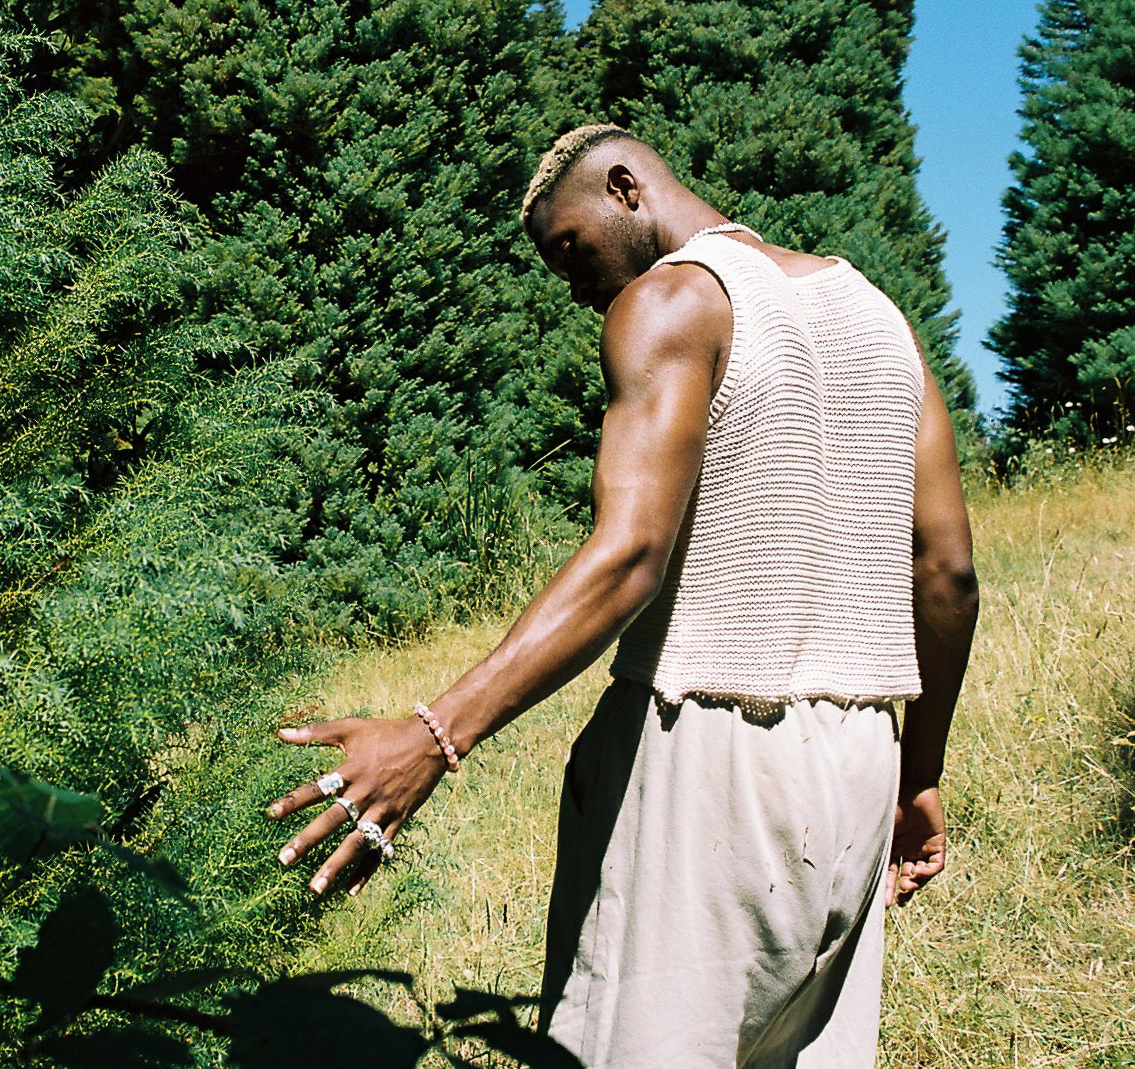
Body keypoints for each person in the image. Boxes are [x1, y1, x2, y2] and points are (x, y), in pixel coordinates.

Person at [264, 124, 979, 1066]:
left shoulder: (673, 299)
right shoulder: (881, 321)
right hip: (860, 763)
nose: (573, 284)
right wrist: (916, 773)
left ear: (625, 186)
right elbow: (947, 573)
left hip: (705, 753)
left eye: (569, 247)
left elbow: (632, 551)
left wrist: (434, 735)